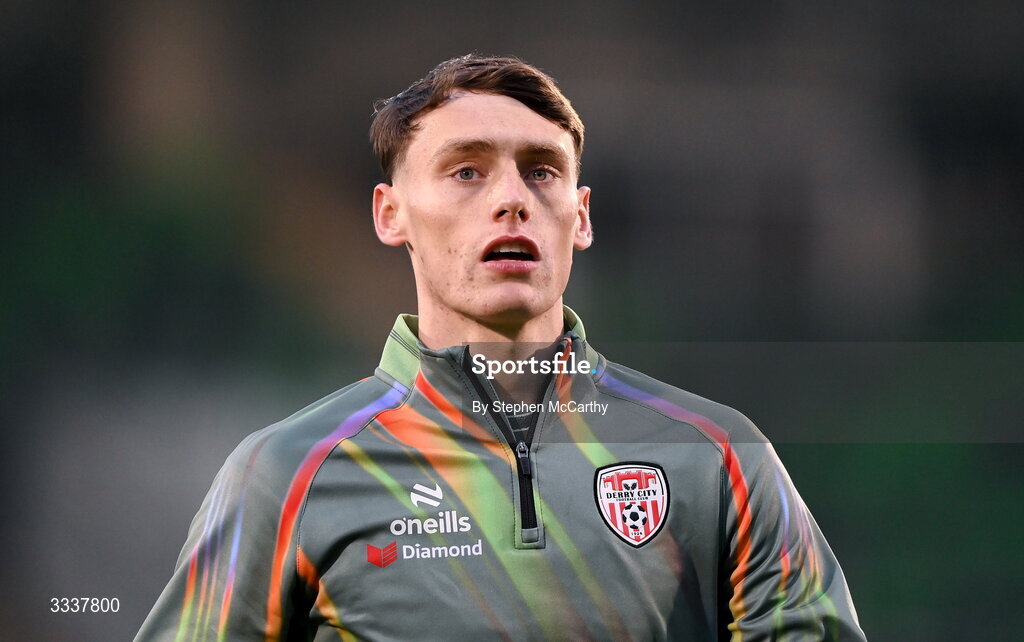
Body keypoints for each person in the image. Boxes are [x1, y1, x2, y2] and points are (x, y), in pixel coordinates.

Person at [138, 54, 866, 641]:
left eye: (541, 170)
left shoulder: (720, 459)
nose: (512, 197)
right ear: (391, 215)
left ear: (579, 218)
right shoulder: (286, 475)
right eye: (467, 171)